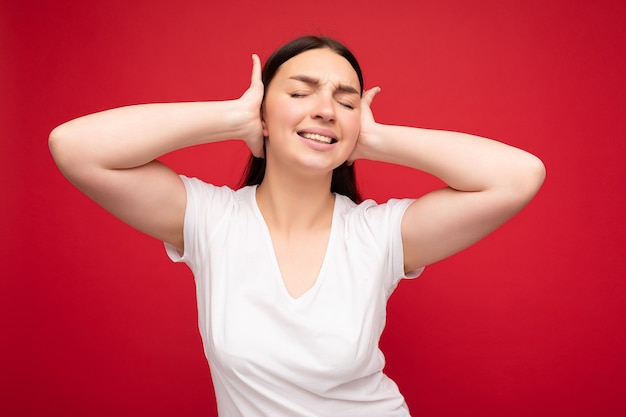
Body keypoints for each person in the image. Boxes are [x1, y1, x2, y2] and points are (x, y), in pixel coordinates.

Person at [49, 35, 545, 417]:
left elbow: (519, 176)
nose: (325, 109)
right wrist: (232, 118)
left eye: (346, 101)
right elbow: (75, 147)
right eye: (300, 92)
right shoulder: (210, 220)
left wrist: (375, 139)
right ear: (263, 111)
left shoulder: (378, 235)